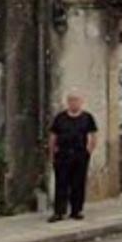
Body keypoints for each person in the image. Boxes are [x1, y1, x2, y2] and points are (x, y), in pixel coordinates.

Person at [48, 89, 98, 222]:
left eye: (76, 100)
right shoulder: (60, 118)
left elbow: (93, 135)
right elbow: (53, 135)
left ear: (81, 102)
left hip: (80, 155)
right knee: (61, 183)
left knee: (78, 183)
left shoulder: (87, 117)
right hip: (63, 155)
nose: (73, 103)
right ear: (67, 102)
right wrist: (52, 152)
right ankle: (59, 212)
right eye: (71, 100)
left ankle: (76, 210)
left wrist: (89, 150)